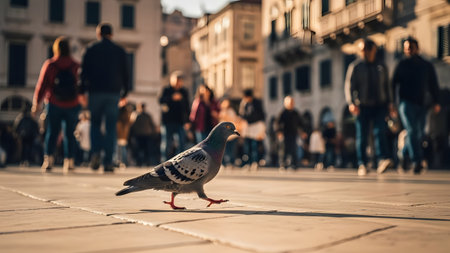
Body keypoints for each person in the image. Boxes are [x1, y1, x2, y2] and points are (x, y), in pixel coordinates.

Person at [80, 23, 129, 173]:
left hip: (95, 93)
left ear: (98, 34)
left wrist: (82, 92)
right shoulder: (120, 51)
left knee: (95, 124)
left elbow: (83, 73)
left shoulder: (91, 49)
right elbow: (126, 73)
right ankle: (108, 161)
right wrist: (125, 93)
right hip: (113, 94)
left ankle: (95, 153)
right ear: (112, 35)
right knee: (110, 127)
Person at [32, 36, 81, 174]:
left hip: (54, 103)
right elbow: (81, 85)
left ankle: (49, 160)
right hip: (72, 104)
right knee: (70, 134)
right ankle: (69, 161)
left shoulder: (50, 64)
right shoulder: (75, 65)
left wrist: (36, 103)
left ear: (56, 49)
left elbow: (42, 85)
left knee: (52, 132)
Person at [392, 37, 441, 174]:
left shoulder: (426, 65)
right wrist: (393, 103)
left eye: (411, 47)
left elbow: (433, 84)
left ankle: (403, 153)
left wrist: (436, 101)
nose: (408, 50)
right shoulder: (401, 64)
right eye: (406, 48)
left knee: (418, 133)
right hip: (405, 103)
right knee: (412, 130)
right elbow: (393, 84)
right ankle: (417, 161)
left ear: (417, 48)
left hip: (422, 104)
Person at [344, 39, 393, 176]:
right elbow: (349, 86)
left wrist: (390, 103)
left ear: (373, 50)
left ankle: (382, 159)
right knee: (362, 136)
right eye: (361, 50)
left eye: (365, 49)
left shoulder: (382, 66)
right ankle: (362, 163)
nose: (363, 52)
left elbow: (387, 86)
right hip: (362, 106)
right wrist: (351, 103)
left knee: (380, 131)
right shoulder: (355, 66)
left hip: (380, 105)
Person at [159, 71, 190, 161]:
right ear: (172, 80)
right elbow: (160, 100)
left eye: (179, 81)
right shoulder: (166, 90)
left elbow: (187, 107)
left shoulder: (184, 91)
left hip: (180, 121)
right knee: (167, 143)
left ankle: (179, 161)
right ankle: (164, 161)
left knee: (181, 143)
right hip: (167, 121)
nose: (177, 83)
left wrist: (187, 121)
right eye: (176, 81)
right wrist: (172, 98)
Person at [239, 89, 266, 171]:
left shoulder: (257, 103)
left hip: (256, 127)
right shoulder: (244, 104)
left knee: (255, 146)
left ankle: (255, 162)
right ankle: (248, 162)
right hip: (248, 128)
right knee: (247, 146)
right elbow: (241, 114)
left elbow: (260, 115)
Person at [276, 96, 303, 171]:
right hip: (285, 134)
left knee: (294, 149)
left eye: (292, 102)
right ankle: (283, 164)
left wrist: (302, 132)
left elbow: (300, 123)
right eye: (289, 102)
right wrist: (279, 132)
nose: (291, 104)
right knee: (284, 150)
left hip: (293, 134)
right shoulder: (283, 113)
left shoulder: (295, 113)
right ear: (285, 104)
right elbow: (277, 124)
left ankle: (294, 164)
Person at [219, 98, 243, 168]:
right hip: (225, 135)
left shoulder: (231, 111)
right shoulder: (221, 112)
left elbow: (233, 121)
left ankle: (231, 162)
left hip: (232, 135)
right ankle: (226, 163)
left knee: (232, 150)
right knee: (225, 150)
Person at [130, 102, 156, 166]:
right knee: (139, 150)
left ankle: (145, 162)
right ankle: (140, 162)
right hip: (139, 135)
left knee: (145, 150)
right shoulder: (136, 115)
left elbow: (132, 125)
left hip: (144, 135)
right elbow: (132, 125)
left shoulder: (143, 115)